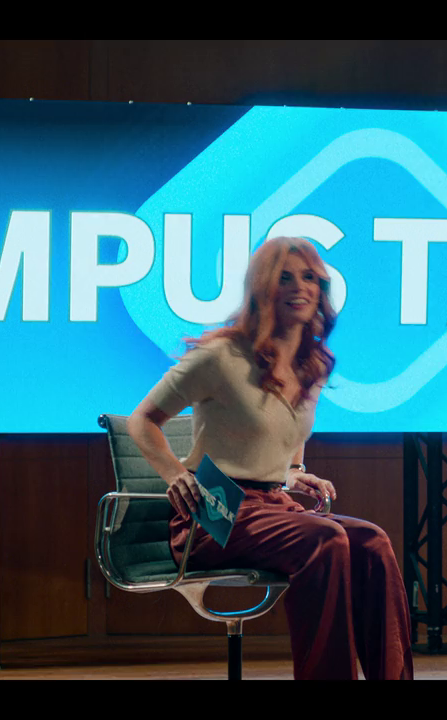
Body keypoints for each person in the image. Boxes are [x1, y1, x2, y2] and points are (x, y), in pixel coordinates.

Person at [126, 236, 413, 680]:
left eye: (309, 277)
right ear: (262, 287)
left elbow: (289, 426)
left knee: (372, 542)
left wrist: (293, 470)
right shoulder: (220, 354)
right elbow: (142, 420)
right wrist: (174, 473)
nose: (300, 287)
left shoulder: (314, 364)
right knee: (326, 539)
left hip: (271, 504)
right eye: (285, 278)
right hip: (214, 508)